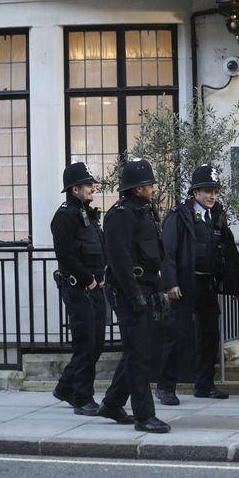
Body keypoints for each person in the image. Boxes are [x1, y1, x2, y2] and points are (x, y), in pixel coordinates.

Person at [156, 164, 239, 405]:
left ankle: (204, 385)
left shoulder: (216, 215)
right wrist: (171, 282)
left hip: (207, 283)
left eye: (215, 191)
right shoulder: (178, 215)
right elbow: (168, 251)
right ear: (195, 192)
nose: (212, 196)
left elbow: (226, 250)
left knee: (210, 335)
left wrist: (233, 285)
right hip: (185, 284)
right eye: (207, 191)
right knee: (177, 336)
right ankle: (165, 387)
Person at [97, 159, 171, 433]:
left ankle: (112, 403)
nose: (153, 187)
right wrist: (134, 296)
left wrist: (159, 287)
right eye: (150, 183)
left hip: (147, 285)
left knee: (141, 351)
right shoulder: (120, 214)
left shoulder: (145, 210)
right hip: (129, 290)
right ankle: (144, 416)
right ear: (138, 188)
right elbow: (120, 260)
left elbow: (154, 253)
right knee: (139, 354)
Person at [50, 162, 106, 416]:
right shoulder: (64, 216)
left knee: (96, 343)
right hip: (78, 288)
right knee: (86, 344)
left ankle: (65, 387)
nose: (93, 187)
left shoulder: (86, 212)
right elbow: (66, 256)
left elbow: (98, 248)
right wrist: (88, 279)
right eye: (88, 184)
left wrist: (102, 276)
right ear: (75, 189)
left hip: (94, 286)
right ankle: (83, 398)